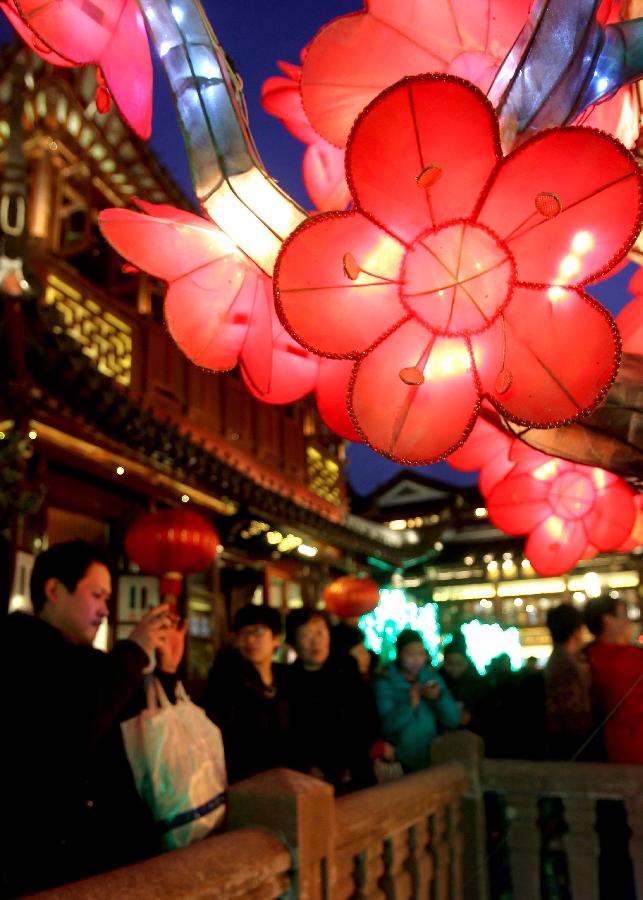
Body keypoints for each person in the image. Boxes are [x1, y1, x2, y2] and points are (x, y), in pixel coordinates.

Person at [2, 540, 186, 898]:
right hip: (54, 862)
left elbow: (143, 730)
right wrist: (133, 652)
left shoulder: (93, 662)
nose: (105, 609)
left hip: (113, 857)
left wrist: (166, 671)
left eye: (107, 599)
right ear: (54, 590)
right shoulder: (18, 653)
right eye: (97, 595)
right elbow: (71, 732)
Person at [286, 608, 374, 793]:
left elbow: (367, 717)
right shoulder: (288, 680)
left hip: (354, 773)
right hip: (309, 780)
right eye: (305, 635)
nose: (315, 641)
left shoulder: (347, 671)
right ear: (293, 642)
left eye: (320, 632)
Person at [203, 603, 290, 783]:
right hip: (243, 782)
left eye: (258, 632)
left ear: (276, 638)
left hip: (287, 778)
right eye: (243, 633)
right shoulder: (227, 678)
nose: (250, 640)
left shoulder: (287, 678)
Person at [375, 629, 460, 773]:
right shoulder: (386, 682)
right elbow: (386, 725)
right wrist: (410, 706)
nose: (416, 659)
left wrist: (438, 698)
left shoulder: (432, 679)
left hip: (431, 758)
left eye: (420, 654)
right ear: (399, 654)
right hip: (398, 761)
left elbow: (453, 720)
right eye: (410, 653)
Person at [584, 595, 643, 764]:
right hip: (634, 750)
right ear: (608, 620)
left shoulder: (587, 656)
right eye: (623, 615)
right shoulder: (630, 659)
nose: (629, 621)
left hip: (613, 749)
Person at [543, 603, 595, 760]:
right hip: (572, 740)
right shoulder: (566, 663)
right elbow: (572, 707)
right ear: (575, 631)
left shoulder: (560, 659)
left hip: (564, 737)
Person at [439, 638, 487, 735]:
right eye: (450, 664)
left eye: (459, 664)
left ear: (466, 661)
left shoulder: (478, 684)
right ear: (444, 661)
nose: (455, 668)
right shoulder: (437, 681)